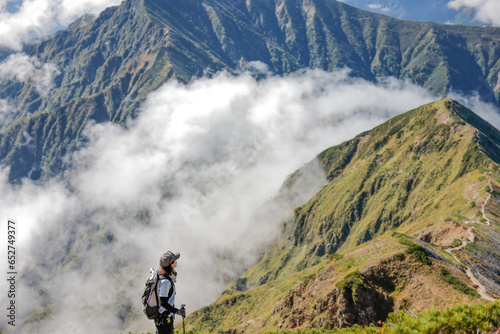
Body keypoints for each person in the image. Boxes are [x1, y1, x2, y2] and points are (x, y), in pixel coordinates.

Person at [155, 251, 186, 334]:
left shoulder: (162, 277)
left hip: (163, 319)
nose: (176, 261)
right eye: (174, 260)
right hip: (164, 320)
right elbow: (163, 302)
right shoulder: (166, 282)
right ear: (171, 264)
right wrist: (177, 311)